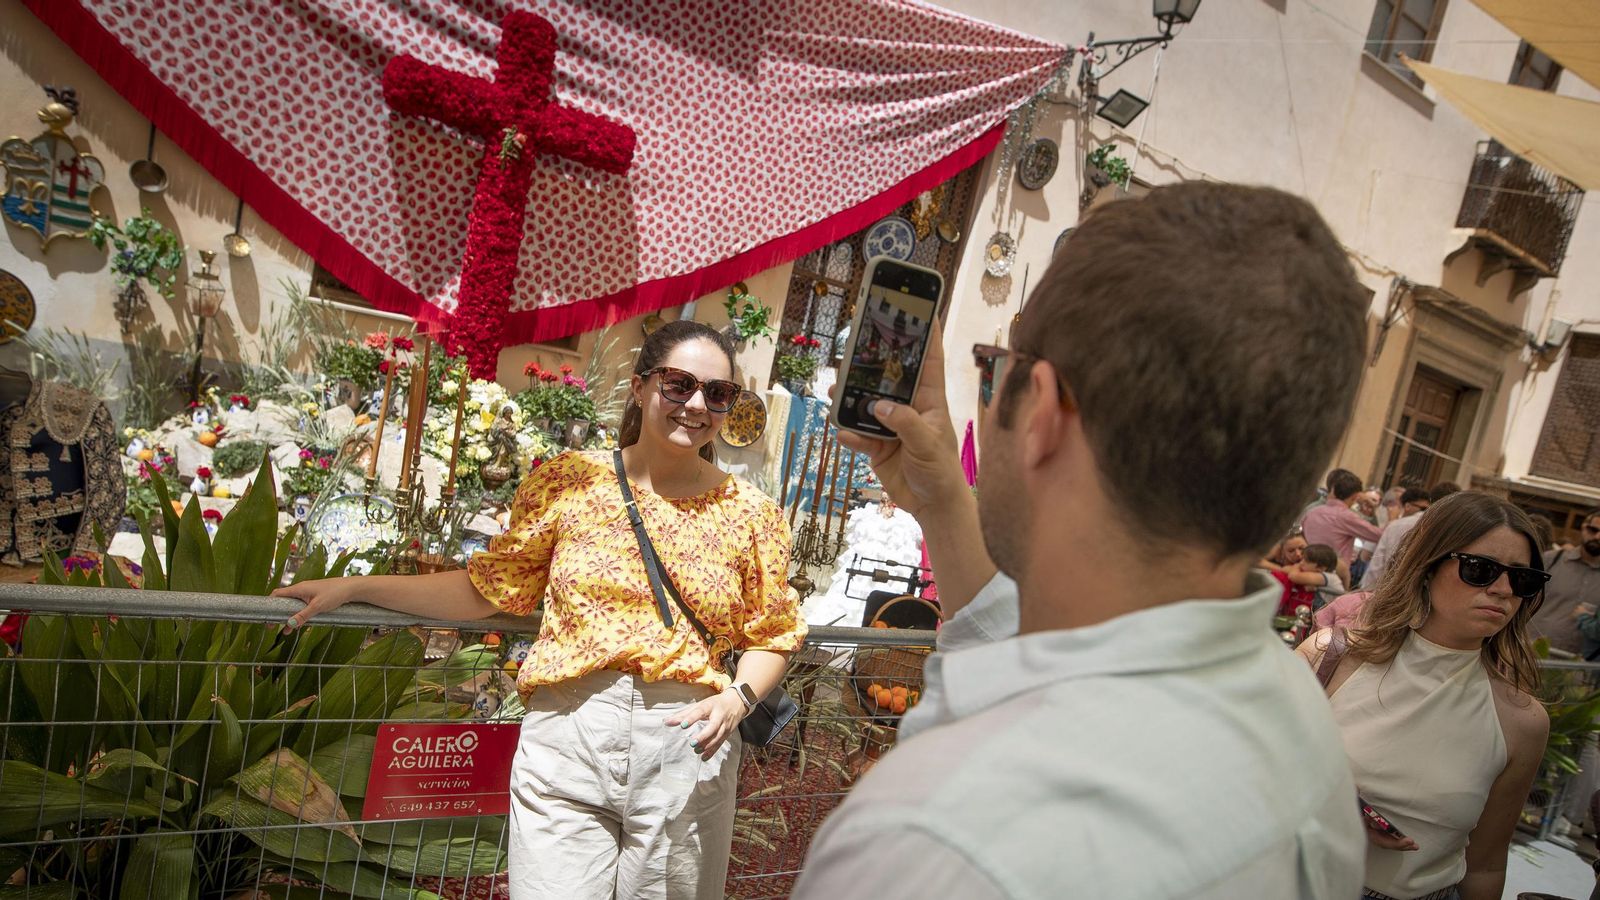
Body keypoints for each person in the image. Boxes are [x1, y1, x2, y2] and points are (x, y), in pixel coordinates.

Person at [793, 183, 1368, 897]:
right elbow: (1033, 645)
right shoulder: (1294, 710)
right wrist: (944, 502)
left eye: (997, 362)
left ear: (1040, 413)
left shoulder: (937, 842)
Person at [274, 320, 806, 900]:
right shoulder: (568, 482)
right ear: (639, 386)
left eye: (718, 393)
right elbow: (486, 589)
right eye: (679, 385)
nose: (697, 404)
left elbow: (773, 633)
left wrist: (737, 698)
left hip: (686, 744)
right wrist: (356, 588)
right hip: (568, 736)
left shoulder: (751, 514)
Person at [1297, 491, 1551, 900]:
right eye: (1480, 569)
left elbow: (1485, 865)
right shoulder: (1328, 657)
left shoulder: (1522, 721)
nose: (1503, 589)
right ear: (1428, 566)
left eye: (1522, 578)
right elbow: (1244, 774)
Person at [1360, 483, 1458, 591]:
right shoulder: (1451, 533)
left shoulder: (1395, 525)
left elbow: (1375, 567)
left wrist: (1367, 594)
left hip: (1385, 592)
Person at [1529, 507, 1600, 656]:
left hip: (1574, 667)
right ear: (1583, 528)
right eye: (1593, 530)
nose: (1597, 536)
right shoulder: (1551, 559)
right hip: (1529, 652)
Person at [1303, 469, 1383, 572]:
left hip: (1307, 567)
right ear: (1355, 496)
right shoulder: (1347, 517)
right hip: (1333, 573)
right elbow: (1379, 535)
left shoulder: (1312, 511)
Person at [1273, 543, 1343, 616]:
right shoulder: (1316, 572)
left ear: (1320, 568)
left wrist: (1297, 566)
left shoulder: (1330, 577)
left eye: (1306, 561)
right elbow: (1284, 569)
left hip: (1333, 615)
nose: (1301, 563)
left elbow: (1293, 576)